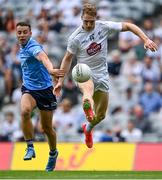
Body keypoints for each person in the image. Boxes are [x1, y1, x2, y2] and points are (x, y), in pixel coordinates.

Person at [53, 3, 158, 148]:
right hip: (82, 70)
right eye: (85, 21)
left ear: (96, 18)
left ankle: (88, 128)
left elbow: (129, 26)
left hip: (102, 74)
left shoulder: (103, 26)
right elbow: (67, 59)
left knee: (101, 115)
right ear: (81, 18)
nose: (89, 24)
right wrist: (60, 81)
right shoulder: (75, 37)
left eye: (91, 21)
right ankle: (87, 105)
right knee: (87, 88)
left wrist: (145, 39)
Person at [16, 22, 65, 171]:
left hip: (45, 90)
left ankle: (52, 153)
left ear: (30, 33)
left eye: (25, 32)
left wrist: (51, 70)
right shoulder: (21, 46)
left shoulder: (33, 47)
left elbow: (43, 57)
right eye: (19, 32)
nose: (22, 35)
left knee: (46, 128)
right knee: (25, 112)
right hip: (29, 88)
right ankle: (30, 147)